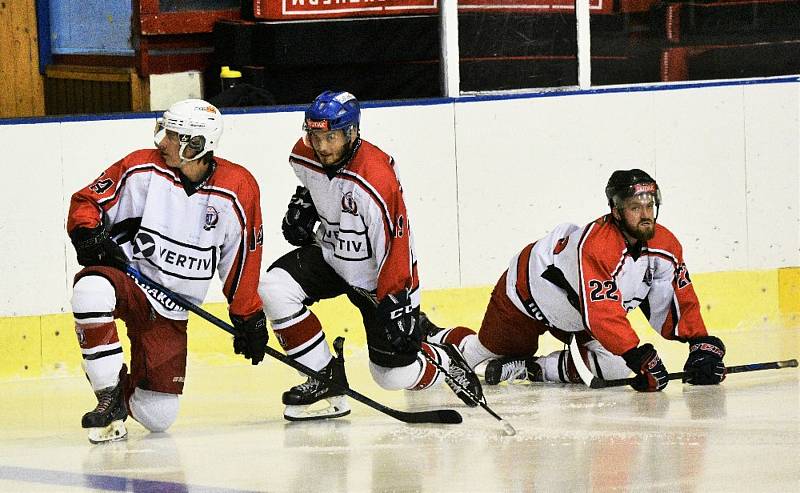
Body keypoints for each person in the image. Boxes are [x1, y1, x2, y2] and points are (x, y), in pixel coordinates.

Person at [259, 90, 482, 421]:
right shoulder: (302, 156)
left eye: (331, 136)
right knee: (273, 287)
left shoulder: (375, 179)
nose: (321, 146)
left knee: (391, 376)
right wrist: (305, 203)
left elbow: (395, 246)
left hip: (378, 279)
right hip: (334, 258)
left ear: (352, 132)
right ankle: (325, 379)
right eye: (315, 135)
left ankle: (443, 358)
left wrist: (399, 304)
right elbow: (314, 184)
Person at [67, 99, 268, 443]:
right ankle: (108, 397)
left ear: (197, 145)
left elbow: (243, 257)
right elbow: (87, 202)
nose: (162, 141)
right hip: (129, 280)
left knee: (157, 415)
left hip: (172, 308)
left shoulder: (238, 188)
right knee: (89, 293)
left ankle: (124, 391)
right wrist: (87, 233)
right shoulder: (140, 168)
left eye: (173, 136)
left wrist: (247, 316)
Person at [426, 169, 727, 392]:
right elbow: (603, 313)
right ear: (617, 211)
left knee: (616, 367)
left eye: (649, 207)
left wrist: (699, 343)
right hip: (526, 295)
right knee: (478, 355)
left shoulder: (666, 247)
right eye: (636, 208)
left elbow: (674, 298)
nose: (645, 214)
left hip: (577, 316)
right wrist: (639, 357)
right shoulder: (598, 245)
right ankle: (434, 336)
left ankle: (532, 369)